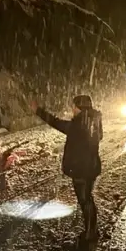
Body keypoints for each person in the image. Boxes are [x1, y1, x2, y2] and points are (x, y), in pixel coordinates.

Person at [32, 95, 103, 242]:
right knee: (87, 198)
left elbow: (56, 123)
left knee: (85, 200)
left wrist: (38, 111)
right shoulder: (93, 122)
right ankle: (92, 229)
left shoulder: (79, 124)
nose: (72, 109)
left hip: (81, 169)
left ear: (80, 108)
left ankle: (91, 233)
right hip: (91, 166)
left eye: (75, 106)